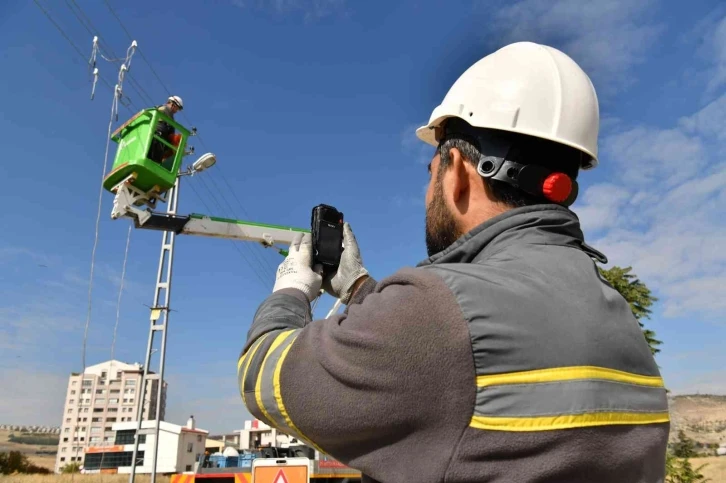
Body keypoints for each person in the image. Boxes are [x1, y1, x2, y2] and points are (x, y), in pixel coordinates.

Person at [236, 41, 669, 483]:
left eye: (431, 173)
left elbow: (262, 376)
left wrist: (291, 290)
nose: (428, 192)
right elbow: (448, 364)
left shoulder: (438, 309)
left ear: (458, 170)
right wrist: (358, 288)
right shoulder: (617, 313)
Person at [148, 95, 183, 164]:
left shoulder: (162, 109)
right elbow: (170, 129)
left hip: (157, 138)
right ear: (173, 104)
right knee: (155, 160)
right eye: (177, 108)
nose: (176, 111)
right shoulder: (166, 109)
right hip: (157, 137)